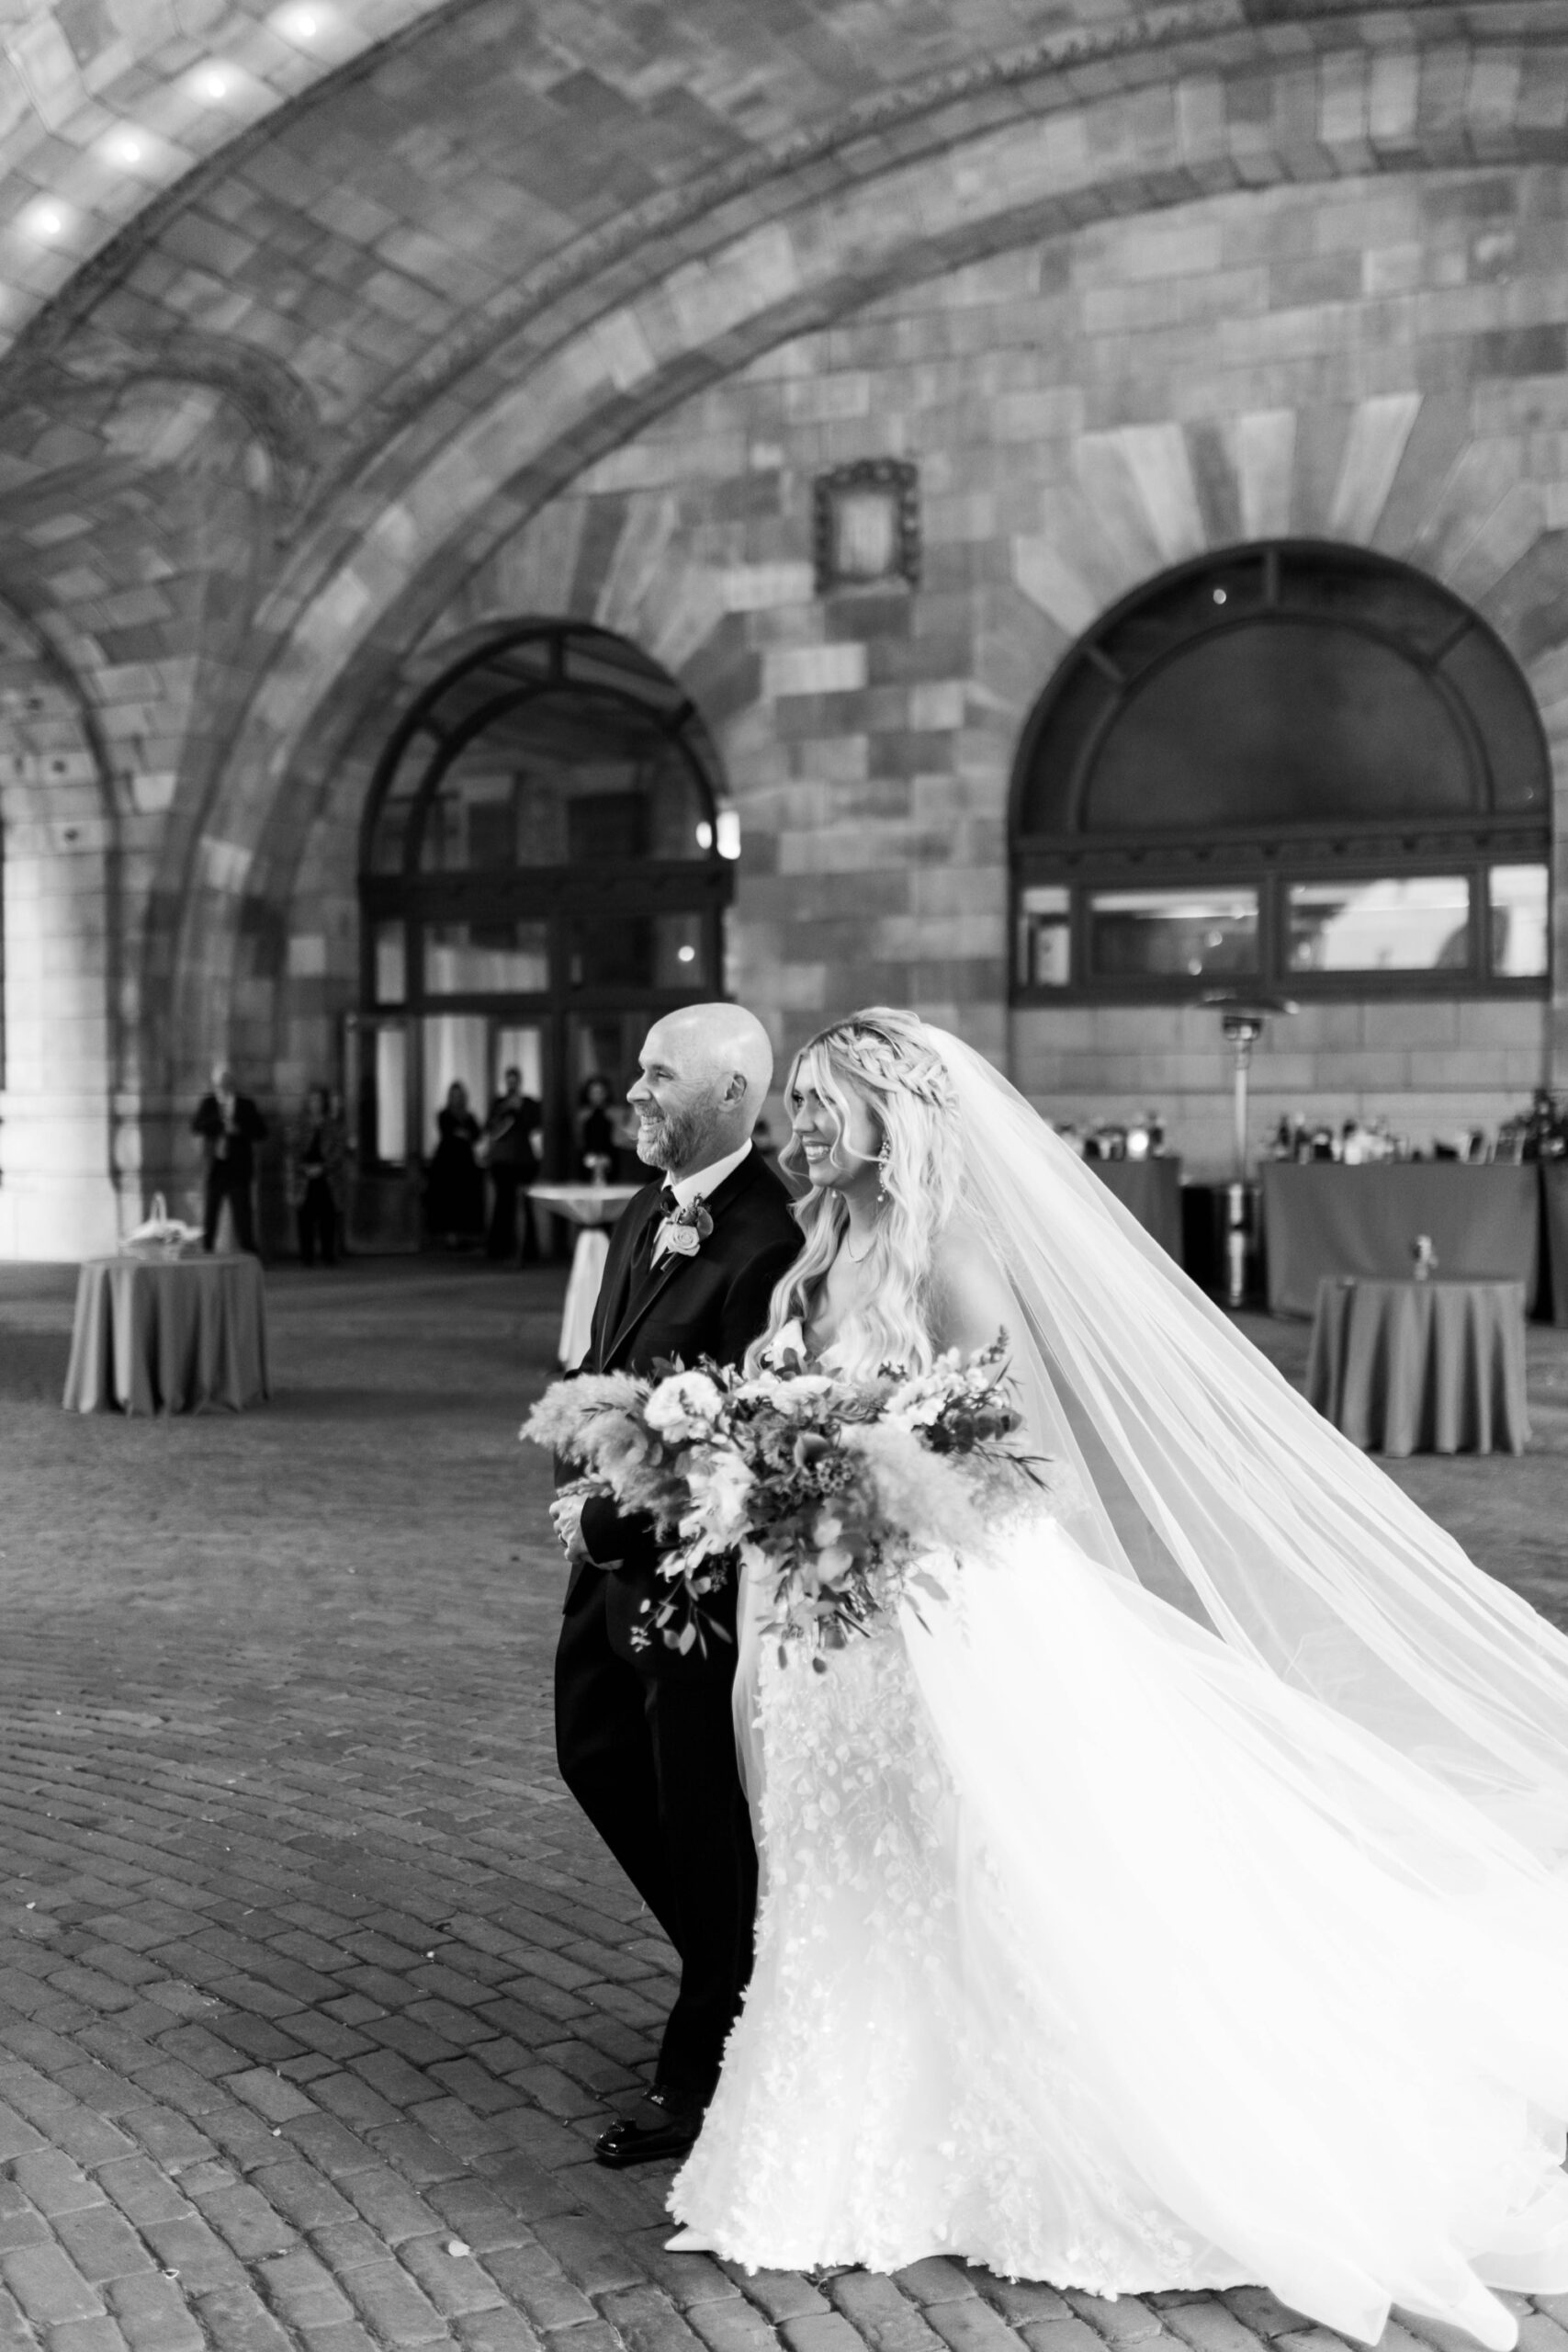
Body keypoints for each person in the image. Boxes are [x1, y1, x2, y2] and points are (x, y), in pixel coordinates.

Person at [665, 1008, 1568, 2350]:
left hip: (937, 1616)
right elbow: (774, 1413)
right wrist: (749, 1456)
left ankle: (1023, 2137)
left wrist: (863, 1478)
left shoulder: (950, 1260)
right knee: (842, 1872)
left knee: (979, 1866)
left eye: (822, 1100)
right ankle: (837, 2132)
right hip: (823, 1631)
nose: (800, 1123)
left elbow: (1016, 1460)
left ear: (891, 1115)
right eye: (793, 1097)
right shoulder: (811, 1260)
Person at [549, 1003, 801, 2171]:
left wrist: (620, 1506)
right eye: (640, 1067)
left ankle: (706, 2057)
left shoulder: (774, 1237)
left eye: (659, 1075)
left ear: (735, 1095)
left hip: (697, 1584)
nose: (634, 1090)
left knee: (703, 1809)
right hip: (609, 1558)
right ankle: (739, 1961)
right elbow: (614, 1369)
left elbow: (750, 1444)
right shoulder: (652, 1203)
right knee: (593, 1753)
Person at [192, 1063, 267, 1254]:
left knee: (243, 1213)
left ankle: (250, 1252)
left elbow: (261, 1131)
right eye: (219, 1084)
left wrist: (239, 1129)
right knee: (210, 1213)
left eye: (226, 1083)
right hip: (215, 1167)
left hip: (238, 1167)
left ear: (232, 1083)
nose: (223, 1087)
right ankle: (207, 1250)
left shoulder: (245, 1105)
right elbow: (196, 1126)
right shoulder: (209, 1104)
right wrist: (220, 1123)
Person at [482, 1066, 541, 1262]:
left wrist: (520, 1110)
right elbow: (490, 1128)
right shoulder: (499, 1103)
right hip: (502, 1161)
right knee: (503, 1203)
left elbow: (535, 1125)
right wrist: (505, 1110)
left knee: (525, 1204)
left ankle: (526, 1250)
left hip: (522, 1159)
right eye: (509, 1080)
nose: (511, 1083)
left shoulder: (528, 1103)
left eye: (514, 1079)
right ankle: (500, 1249)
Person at [286, 1085, 348, 1266]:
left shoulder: (332, 1125)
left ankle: (328, 1254)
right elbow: (292, 1150)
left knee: (327, 1216)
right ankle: (307, 1256)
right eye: (312, 1100)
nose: (316, 1104)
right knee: (305, 1217)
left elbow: (338, 1150)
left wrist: (324, 1167)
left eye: (319, 1100)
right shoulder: (299, 1124)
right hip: (304, 1177)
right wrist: (304, 1168)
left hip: (327, 1176)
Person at [425, 1080, 484, 1247]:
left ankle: (464, 1235)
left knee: (464, 1200)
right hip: (447, 1164)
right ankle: (449, 1235)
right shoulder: (444, 1114)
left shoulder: (469, 1116)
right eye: (454, 1096)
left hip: (465, 1165)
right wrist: (462, 1134)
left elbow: (476, 1134)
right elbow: (450, 1133)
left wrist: (463, 1134)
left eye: (459, 1096)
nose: (457, 1099)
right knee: (448, 1200)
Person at [577, 1073, 617, 1180]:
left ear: (606, 1093)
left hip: (611, 1158)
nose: (597, 1096)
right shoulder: (583, 1116)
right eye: (593, 1093)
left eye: (600, 1092)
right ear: (587, 1094)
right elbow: (579, 1141)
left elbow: (616, 1140)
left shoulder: (613, 1114)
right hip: (587, 1158)